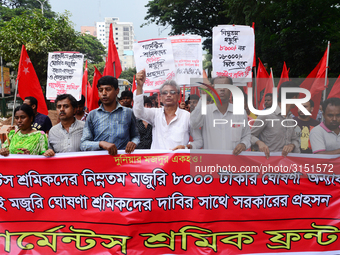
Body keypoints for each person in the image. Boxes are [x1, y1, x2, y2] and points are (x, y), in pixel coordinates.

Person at [190, 76, 251, 154]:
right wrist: (204, 97)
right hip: (211, 163)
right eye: (218, 86)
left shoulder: (240, 112)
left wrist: (243, 144)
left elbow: (247, 135)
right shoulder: (205, 111)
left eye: (226, 86)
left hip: (233, 163)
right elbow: (193, 124)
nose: (222, 89)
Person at [80, 76, 139, 155]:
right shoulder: (92, 115)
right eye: (100, 90)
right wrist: (101, 144)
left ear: (117, 91)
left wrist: (133, 143)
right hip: (99, 162)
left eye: (108, 89)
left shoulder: (128, 113)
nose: (104, 93)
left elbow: (136, 136)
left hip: (123, 162)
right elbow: (84, 144)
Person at [134, 69, 190, 150]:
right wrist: (139, 86)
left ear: (178, 96)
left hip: (178, 161)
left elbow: (198, 140)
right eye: (165, 93)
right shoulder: (155, 114)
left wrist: (186, 147)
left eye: (172, 92)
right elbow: (138, 112)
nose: (168, 95)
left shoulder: (187, 116)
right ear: (160, 98)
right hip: (157, 161)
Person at [251, 81, 300, 158]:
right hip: (267, 164)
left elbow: (295, 140)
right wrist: (259, 142)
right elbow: (249, 135)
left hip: (286, 165)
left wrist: (292, 145)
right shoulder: (266, 115)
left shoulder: (290, 118)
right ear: (294, 98)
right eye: (298, 97)